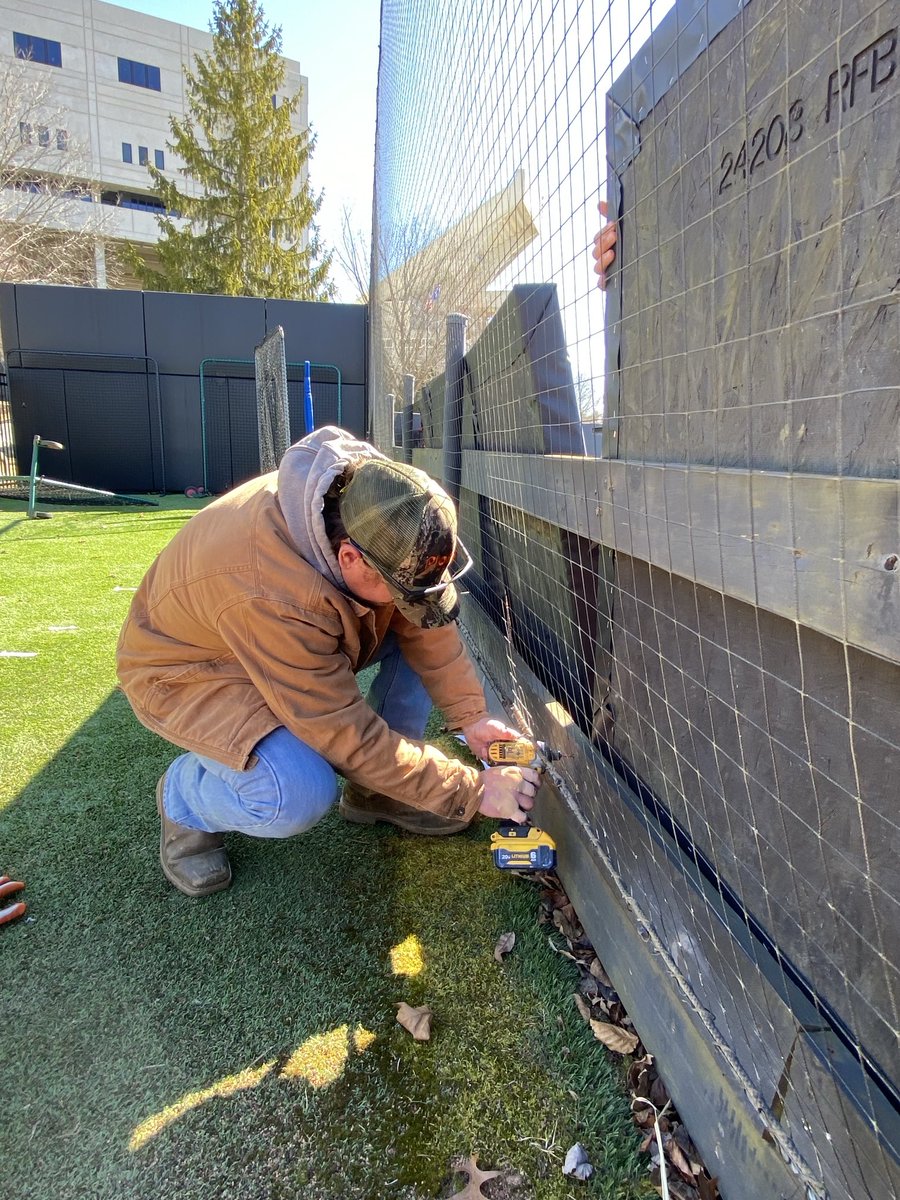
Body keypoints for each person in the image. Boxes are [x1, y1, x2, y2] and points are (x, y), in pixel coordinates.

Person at [117, 427, 540, 897]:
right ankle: (183, 800)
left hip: (268, 639)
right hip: (189, 670)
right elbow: (344, 733)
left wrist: (471, 718)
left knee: (414, 617)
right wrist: (470, 791)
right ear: (349, 558)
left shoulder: (384, 500)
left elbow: (427, 626)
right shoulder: (273, 594)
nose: (406, 602)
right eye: (399, 590)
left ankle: (379, 792)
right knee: (293, 792)